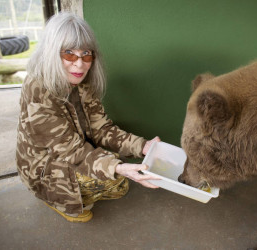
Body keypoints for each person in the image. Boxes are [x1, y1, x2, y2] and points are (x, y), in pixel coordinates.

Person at [16, 12, 160, 223]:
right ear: (50, 53)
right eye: (69, 54)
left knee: (118, 185)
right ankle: (53, 197)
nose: (80, 64)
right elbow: (69, 150)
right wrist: (117, 167)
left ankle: (77, 190)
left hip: (73, 151)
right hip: (43, 167)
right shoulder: (38, 91)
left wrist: (143, 146)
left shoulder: (82, 82)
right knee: (116, 178)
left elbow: (101, 128)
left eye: (86, 54)